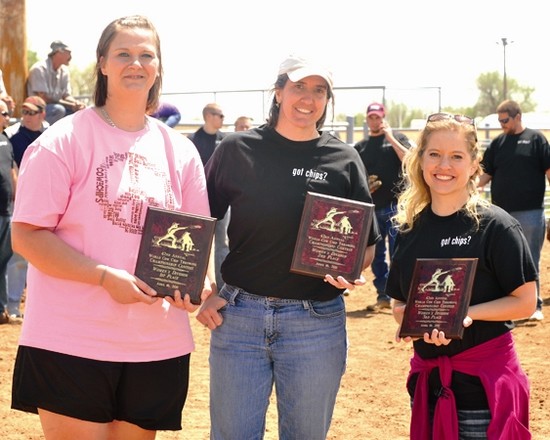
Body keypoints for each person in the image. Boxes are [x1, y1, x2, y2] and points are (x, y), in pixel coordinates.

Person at [11, 15, 212, 439]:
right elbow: (26, 234)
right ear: (102, 63)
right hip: (71, 339)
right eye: (123, 54)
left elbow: (195, 242)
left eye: (145, 55)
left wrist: (199, 285)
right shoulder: (62, 140)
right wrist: (102, 277)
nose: (134, 63)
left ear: (158, 67)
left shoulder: (181, 151)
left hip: (155, 342)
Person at [196, 55, 380, 440]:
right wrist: (208, 288)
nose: (308, 98)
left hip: (315, 321)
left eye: (319, 90)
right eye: (298, 87)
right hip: (239, 317)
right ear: (278, 92)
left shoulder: (344, 159)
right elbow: (200, 222)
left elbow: (365, 245)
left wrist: (351, 270)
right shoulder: (236, 148)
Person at [386, 113, 536, 439]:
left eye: (456, 156)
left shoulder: (496, 226)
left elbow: (525, 302)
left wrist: (464, 315)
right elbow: (398, 303)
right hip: (429, 388)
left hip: (484, 393)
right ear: (420, 159)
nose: (444, 165)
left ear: (473, 165)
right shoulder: (408, 228)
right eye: (435, 154)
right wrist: (418, 324)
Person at [478, 99, 550, 322]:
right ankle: (507, 307)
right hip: (501, 216)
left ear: (518, 116)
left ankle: (533, 305)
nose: (501, 124)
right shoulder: (498, 144)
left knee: (530, 259)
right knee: (503, 260)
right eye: (499, 120)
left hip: (530, 212)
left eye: (505, 120)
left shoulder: (536, 139)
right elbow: (485, 174)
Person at [354, 102, 411, 311]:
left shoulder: (397, 138)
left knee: (399, 252)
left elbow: (410, 161)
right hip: (373, 207)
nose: (375, 121)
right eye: (371, 117)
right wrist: (364, 187)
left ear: (384, 117)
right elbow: (356, 175)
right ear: (367, 119)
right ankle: (383, 295)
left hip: (397, 205)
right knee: (377, 254)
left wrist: (391, 138)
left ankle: (401, 296)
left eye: (378, 117)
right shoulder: (361, 147)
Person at [5, 96, 47, 319]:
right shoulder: (12, 135)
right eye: (24, 112)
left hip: (50, 200)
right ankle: (13, 305)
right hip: (22, 199)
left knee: (49, 254)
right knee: (19, 256)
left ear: (43, 113)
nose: (27, 116)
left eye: (32, 112)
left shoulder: (53, 133)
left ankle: (40, 309)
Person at [188, 103, 227, 289]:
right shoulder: (193, 140)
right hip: (198, 199)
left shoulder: (225, 140)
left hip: (222, 199)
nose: (222, 119)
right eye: (220, 115)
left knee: (221, 244)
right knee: (196, 242)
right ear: (208, 116)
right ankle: (192, 283)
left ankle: (219, 287)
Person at [26, 40, 86, 125]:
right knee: (58, 110)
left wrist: (76, 103)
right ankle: (43, 134)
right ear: (58, 52)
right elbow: (43, 99)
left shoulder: (64, 71)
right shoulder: (39, 69)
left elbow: (66, 95)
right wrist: (70, 104)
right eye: (68, 53)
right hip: (38, 110)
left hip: (56, 108)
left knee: (79, 112)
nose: (70, 57)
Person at [0, 100, 16, 324]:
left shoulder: (5, 139)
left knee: (3, 262)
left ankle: (2, 310)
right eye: (4, 113)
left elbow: (12, 169)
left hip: (7, 211)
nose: (7, 116)